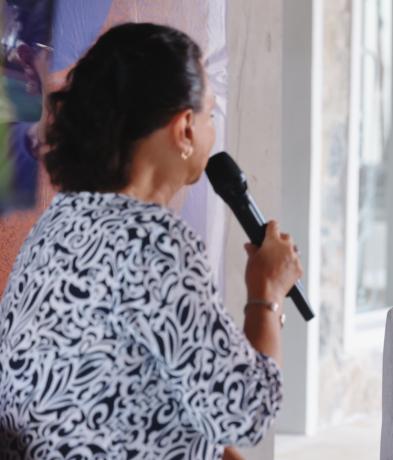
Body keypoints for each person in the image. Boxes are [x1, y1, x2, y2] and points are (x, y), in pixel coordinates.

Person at [0, 23, 300, 459]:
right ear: (184, 128)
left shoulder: (58, 222)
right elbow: (246, 412)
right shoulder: (156, 243)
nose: (213, 134)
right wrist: (267, 291)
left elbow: (124, 388)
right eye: (210, 115)